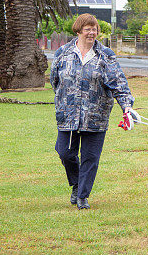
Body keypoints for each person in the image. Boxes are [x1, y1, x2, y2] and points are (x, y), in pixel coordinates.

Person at [49, 14, 137, 210]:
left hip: (96, 116)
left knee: (90, 157)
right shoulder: (62, 53)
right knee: (65, 152)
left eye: (95, 29)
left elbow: (118, 83)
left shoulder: (106, 55)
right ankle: (77, 183)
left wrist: (127, 106)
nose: (92, 32)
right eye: (88, 29)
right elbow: (54, 81)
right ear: (78, 30)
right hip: (68, 115)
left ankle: (82, 196)